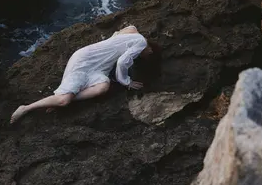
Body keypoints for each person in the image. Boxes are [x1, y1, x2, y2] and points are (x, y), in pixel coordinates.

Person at [10, 25, 154, 123]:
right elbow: (122, 62)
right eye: (147, 54)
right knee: (63, 101)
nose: (143, 56)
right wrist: (126, 81)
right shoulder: (141, 42)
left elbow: (131, 27)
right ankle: (26, 108)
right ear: (150, 49)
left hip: (99, 69)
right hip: (85, 61)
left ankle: (65, 97)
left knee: (103, 87)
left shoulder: (134, 33)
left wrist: (113, 39)